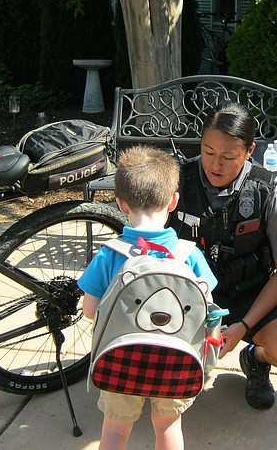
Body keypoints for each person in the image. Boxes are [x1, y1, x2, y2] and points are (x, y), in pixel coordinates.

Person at [168, 101, 277, 410]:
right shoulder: (174, 180)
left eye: (228, 157)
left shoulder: (271, 191)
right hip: (186, 297)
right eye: (208, 152)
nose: (215, 165)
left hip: (248, 296)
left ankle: (256, 359)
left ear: (249, 151)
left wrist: (245, 327)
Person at [78, 145, 217, 450]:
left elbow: (90, 310)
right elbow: (209, 307)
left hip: (121, 360)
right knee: (168, 426)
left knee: (115, 429)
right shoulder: (188, 254)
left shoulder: (109, 254)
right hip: (175, 360)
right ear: (173, 202)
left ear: (120, 204)